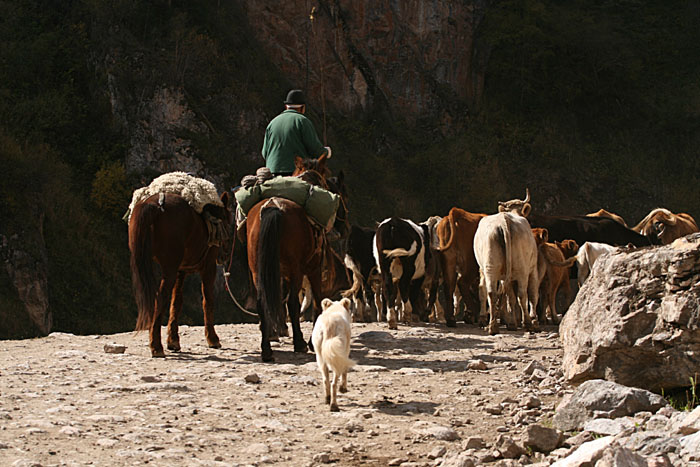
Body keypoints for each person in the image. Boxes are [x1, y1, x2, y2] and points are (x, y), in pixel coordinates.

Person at [261, 89, 331, 176]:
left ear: (286, 106)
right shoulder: (303, 121)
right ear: (303, 108)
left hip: (272, 172)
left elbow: (264, 153)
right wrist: (327, 152)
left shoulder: (272, 123)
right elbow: (315, 149)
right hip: (296, 172)